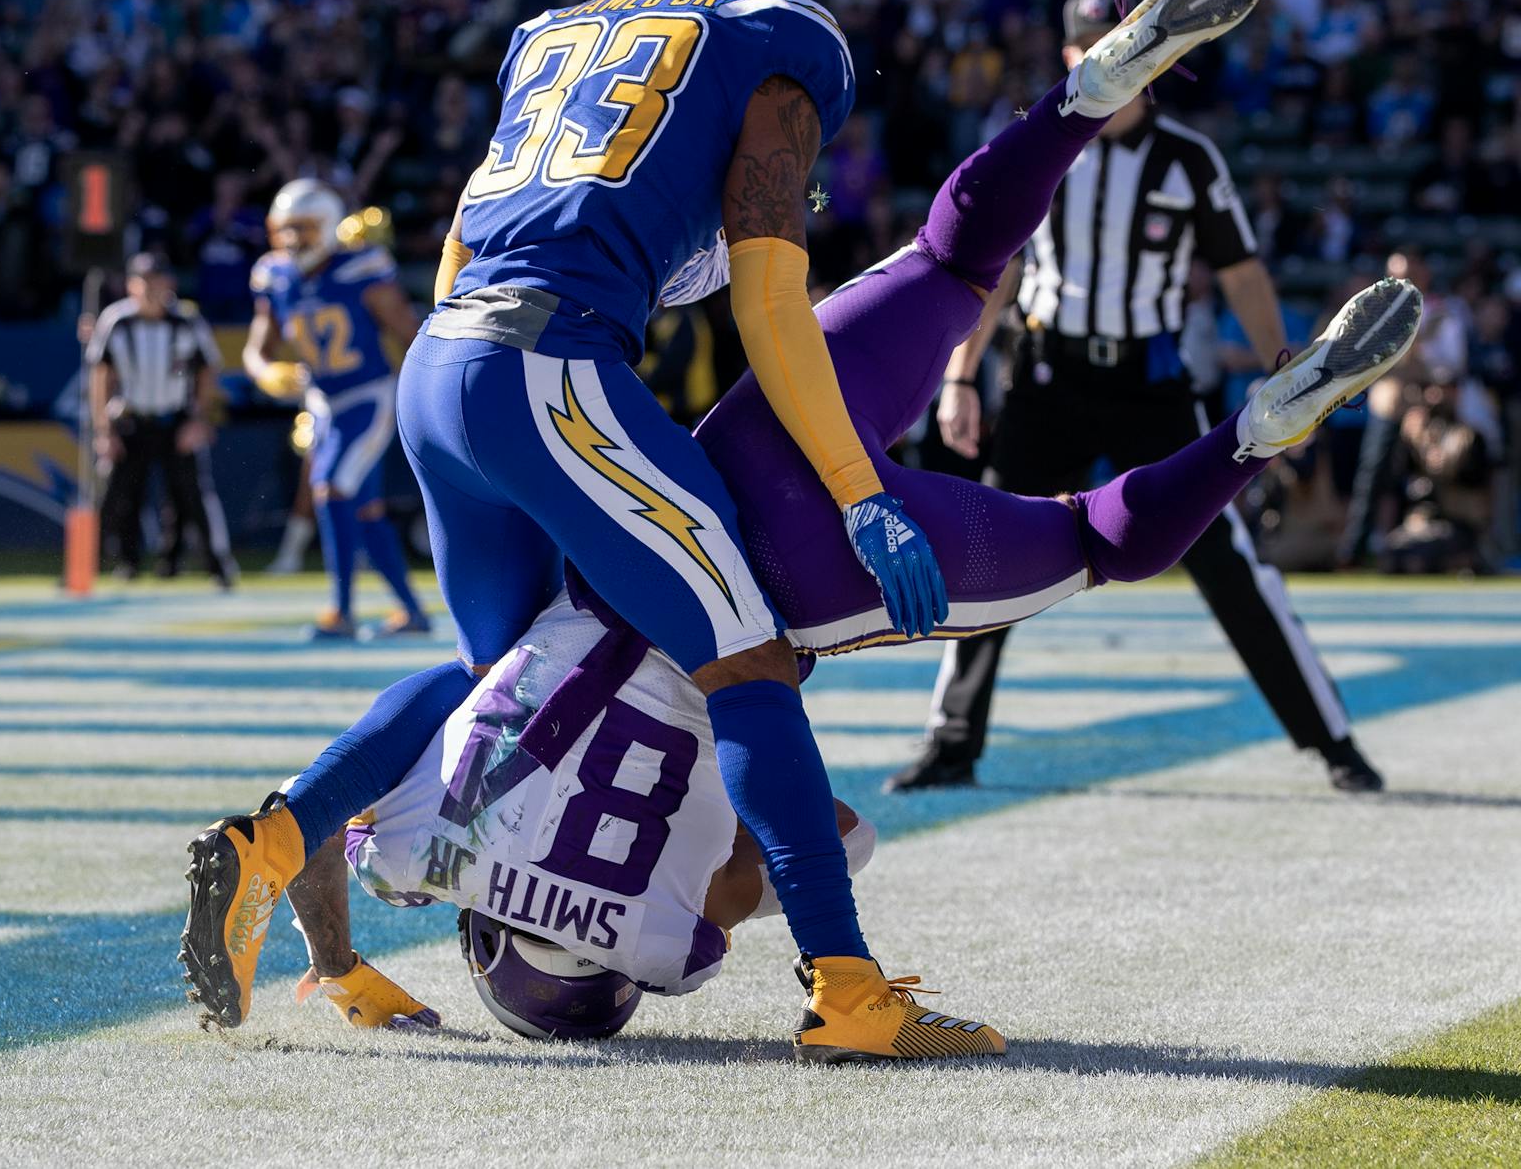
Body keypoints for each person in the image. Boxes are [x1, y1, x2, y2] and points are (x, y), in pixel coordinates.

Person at [183, 0, 1263, 1062]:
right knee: (747, 660)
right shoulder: (771, 45)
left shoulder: (552, 36)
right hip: (552, 367)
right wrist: (859, 493)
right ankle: (849, 992)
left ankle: (268, 842)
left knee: (503, 674)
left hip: (447, 362)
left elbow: (457, 251)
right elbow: (767, 303)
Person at [274, 61, 1419, 1048]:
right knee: (946, 268)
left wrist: (722, 873)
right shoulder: (418, 843)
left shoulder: (667, 945)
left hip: (796, 598)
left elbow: (815, 835)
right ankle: (1077, 101)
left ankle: (1253, 435)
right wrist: (334, 952)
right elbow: (377, 771)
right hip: (704, 487)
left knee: (1087, 535)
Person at [902, 0, 1384, 796]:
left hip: (1151, 384)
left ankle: (1330, 740)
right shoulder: (1036, 145)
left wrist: (1284, 369)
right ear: (1071, 59)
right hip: (1046, 376)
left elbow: (1241, 270)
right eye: (1102, 44)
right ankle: (952, 741)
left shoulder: (1189, 157)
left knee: (1227, 559)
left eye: (1137, 41)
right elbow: (994, 267)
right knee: (988, 550)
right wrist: (959, 375)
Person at [243, 181, 429, 639]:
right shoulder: (275, 275)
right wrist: (267, 373)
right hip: (322, 404)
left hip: (369, 396)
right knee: (363, 508)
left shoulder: (360, 268)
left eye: (301, 229)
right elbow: (255, 350)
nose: (290, 240)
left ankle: (341, 612)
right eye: (283, 230)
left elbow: (410, 333)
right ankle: (412, 613)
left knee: (330, 489)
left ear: (326, 227)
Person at [89, 252, 236, 587]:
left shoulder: (186, 320)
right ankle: (114, 564)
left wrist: (198, 420)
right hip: (131, 418)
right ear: (131, 285)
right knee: (120, 495)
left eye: (158, 281)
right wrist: (103, 430)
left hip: (175, 419)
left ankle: (214, 566)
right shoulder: (116, 321)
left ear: (169, 284)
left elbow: (207, 372)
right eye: (144, 282)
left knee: (191, 495)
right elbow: (101, 378)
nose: (152, 290)